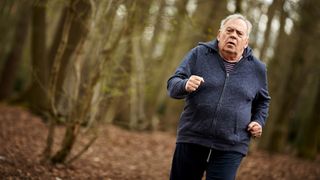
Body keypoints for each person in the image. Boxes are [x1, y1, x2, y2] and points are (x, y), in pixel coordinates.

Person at [167, 13, 271, 180]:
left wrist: (258, 121)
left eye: (239, 33)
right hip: (193, 137)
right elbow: (173, 85)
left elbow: (263, 101)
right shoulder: (199, 54)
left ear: (246, 42)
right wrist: (185, 84)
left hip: (232, 145)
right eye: (229, 30)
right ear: (219, 34)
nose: (233, 35)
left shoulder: (257, 69)